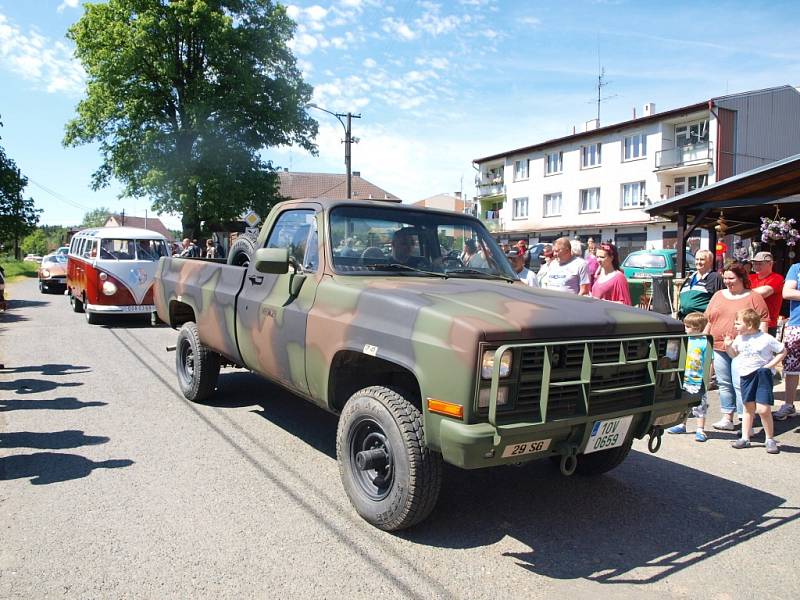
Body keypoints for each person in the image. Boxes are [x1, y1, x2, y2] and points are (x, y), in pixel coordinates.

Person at [704, 264, 770, 431]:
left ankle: (745, 418)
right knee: (724, 383)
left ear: (741, 278)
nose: (727, 281)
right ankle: (727, 416)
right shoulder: (718, 295)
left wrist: (759, 343)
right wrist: (703, 339)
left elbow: (763, 319)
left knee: (740, 383)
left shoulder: (753, 297)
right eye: (725, 278)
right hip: (719, 345)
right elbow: (709, 319)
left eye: (731, 278)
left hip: (743, 348)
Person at [725, 308, 786, 453]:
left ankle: (769, 439)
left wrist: (769, 366)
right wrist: (728, 346)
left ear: (750, 324)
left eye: (738, 323)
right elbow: (734, 355)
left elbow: (783, 351)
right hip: (746, 375)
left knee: (763, 409)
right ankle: (745, 438)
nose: (735, 326)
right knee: (748, 407)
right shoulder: (740, 338)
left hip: (762, 375)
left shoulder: (765, 338)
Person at [666, 312, 712, 442]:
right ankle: (681, 424)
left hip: (698, 379)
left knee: (700, 405)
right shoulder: (684, 340)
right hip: (684, 378)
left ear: (697, 328)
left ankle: (700, 429)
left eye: (688, 326)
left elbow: (709, 361)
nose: (685, 328)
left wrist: (708, 378)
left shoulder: (704, 342)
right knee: (683, 403)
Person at [776, 261, 800, 421]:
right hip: (796, 324)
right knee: (791, 366)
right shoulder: (796, 268)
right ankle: (789, 405)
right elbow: (787, 292)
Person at [677, 249, 724, 320]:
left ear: (710, 262)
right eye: (697, 259)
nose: (699, 262)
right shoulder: (689, 278)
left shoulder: (715, 277)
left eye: (702, 259)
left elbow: (720, 301)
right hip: (685, 319)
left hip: (702, 321)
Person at [748, 251, 783, 336]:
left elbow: (763, 293)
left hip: (767, 324)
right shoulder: (750, 277)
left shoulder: (777, 278)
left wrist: (742, 293)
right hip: (747, 322)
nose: (756, 266)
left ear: (770, 264)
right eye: (755, 263)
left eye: (760, 264)